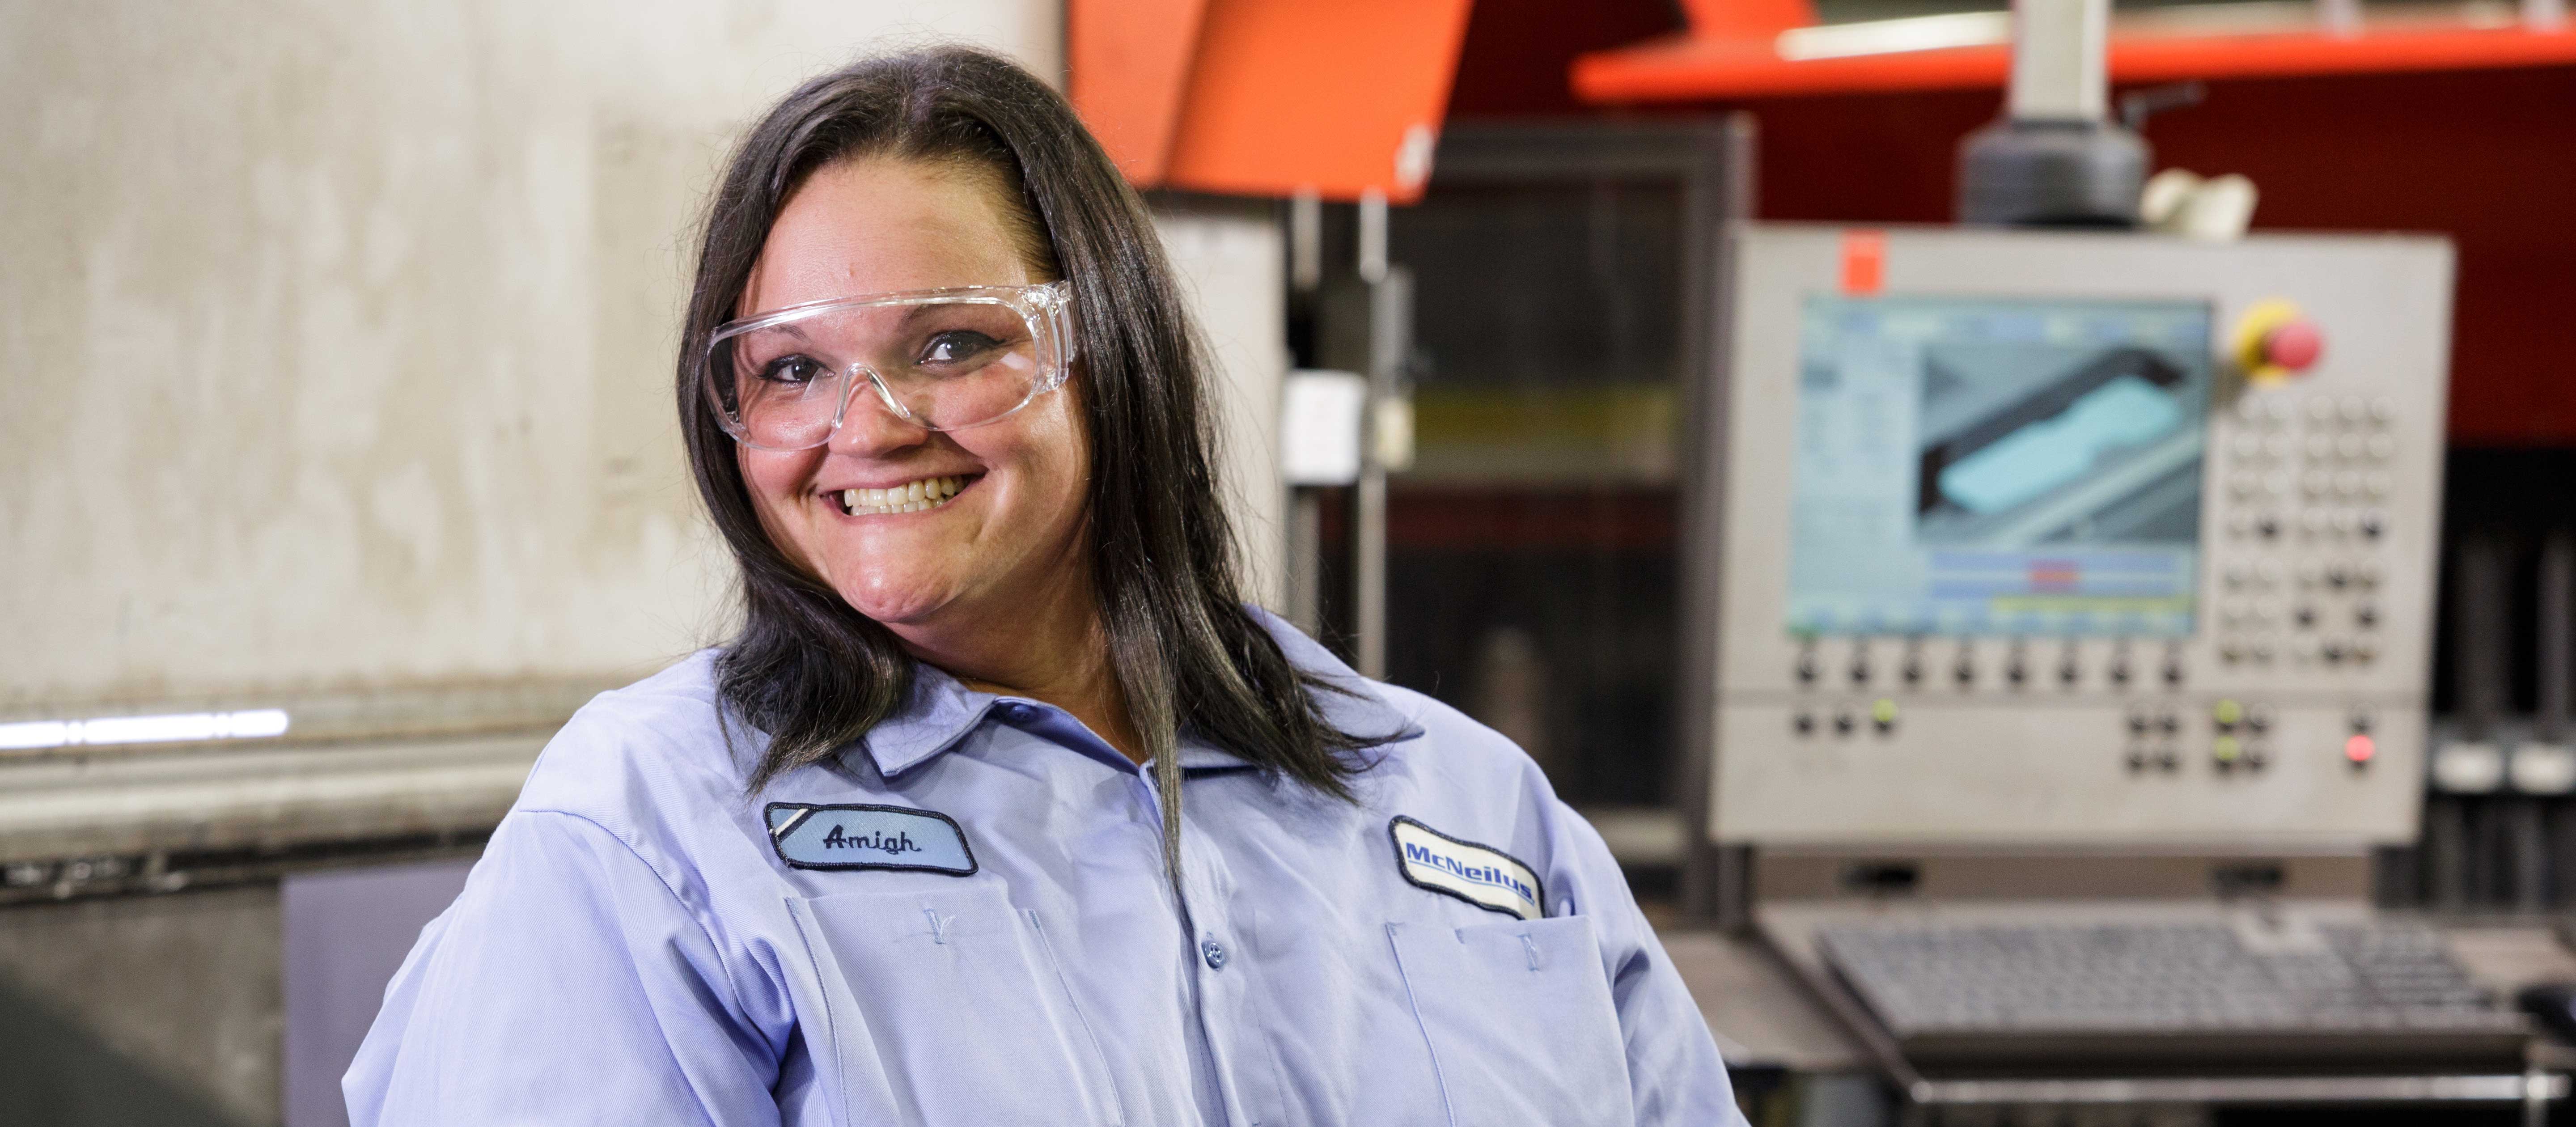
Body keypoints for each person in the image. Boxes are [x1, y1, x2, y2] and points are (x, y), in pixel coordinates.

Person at [346, 45, 1746, 1127]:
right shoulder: (647, 836)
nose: (869, 421)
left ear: (1114, 349)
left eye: (953, 344)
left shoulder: (1466, 804)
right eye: (789, 368)